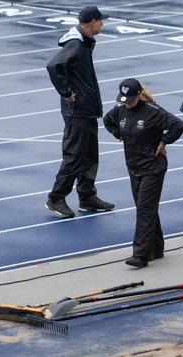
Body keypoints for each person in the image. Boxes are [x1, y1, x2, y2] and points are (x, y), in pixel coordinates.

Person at [103, 79, 183, 268]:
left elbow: (178, 125)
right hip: (133, 168)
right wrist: (120, 134)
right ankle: (156, 247)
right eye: (124, 99)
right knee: (147, 209)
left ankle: (140, 254)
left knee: (144, 209)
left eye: (130, 99)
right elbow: (108, 121)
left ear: (139, 95)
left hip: (153, 168)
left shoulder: (152, 111)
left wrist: (164, 142)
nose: (127, 103)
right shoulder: (120, 110)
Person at [44, 5, 114, 218]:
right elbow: (53, 65)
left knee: (90, 155)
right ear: (93, 22)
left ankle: (87, 196)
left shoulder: (84, 42)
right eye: (101, 21)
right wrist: (66, 92)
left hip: (86, 109)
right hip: (77, 111)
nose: (102, 24)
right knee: (74, 156)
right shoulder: (75, 44)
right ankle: (56, 198)